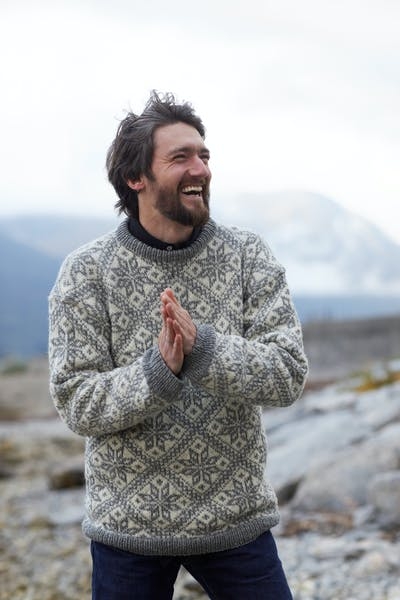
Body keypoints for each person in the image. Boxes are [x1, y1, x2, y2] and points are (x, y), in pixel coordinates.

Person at [48, 90, 308, 600]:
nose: (200, 169)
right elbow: (77, 400)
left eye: (204, 156)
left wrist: (203, 348)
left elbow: (287, 374)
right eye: (181, 157)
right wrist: (158, 372)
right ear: (136, 177)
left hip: (236, 519)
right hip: (128, 527)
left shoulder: (247, 254)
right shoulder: (86, 272)